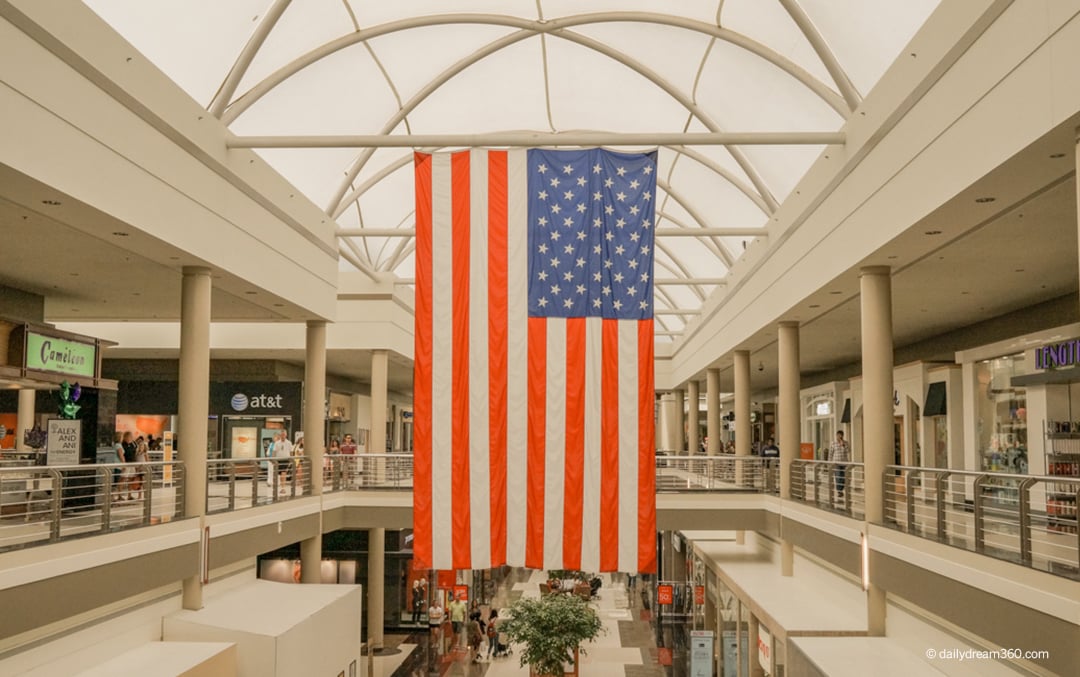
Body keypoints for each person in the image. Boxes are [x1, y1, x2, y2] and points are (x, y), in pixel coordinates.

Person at [828, 430, 851, 502]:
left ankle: (841, 489)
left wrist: (843, 445)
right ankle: (839, 491)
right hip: (836, 463)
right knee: (838, 477)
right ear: (836, 435)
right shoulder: (833, 443)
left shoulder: (846, 443)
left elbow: (848, 451)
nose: (839, 436)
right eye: (838, 435)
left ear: (842, 436)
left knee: (843, 477)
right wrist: (830, 462)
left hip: (844, 463)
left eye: (840, 435)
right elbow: (830, 453)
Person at [120, 431, 137, 500]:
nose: (131, 438)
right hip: (126, 463)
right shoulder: (122, 444)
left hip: (132, 463)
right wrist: (123, 465)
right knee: (123, 479)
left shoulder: (133, 444)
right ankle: (119, 495)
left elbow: (135, 453)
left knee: (131, 479)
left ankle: (129, 495)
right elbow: (122, 455)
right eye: (129, 436)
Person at [274, 431, 293, 495]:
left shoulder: (289, 443)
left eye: (284, 435)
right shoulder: (277, 443)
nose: (283, 436)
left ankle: (283, 488)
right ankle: (282, 486)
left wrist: (291, 459)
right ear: (280, 435)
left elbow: (291, 452)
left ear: (286, 435)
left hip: (286, 459)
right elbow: (274, 451)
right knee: (280, 475)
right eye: (282, 435)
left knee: (283, 473)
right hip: (278, 460)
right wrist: (273, 460)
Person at [132, 435, 150, 501]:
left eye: (142, 446)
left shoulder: (145, 453)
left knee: (143, 482)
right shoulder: (136, 453)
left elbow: (147, 461)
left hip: (143, 469)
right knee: (139, 482)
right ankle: (139, 495)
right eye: (140, 446)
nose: (141, 447)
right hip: (138, 470)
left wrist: (147, 468)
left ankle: (145, 494)